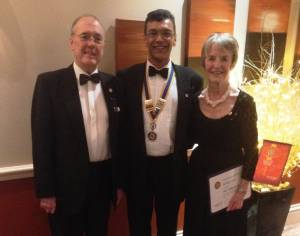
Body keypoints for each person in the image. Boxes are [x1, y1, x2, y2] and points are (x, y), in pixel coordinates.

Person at [31, 14, 122, 236]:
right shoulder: (49, 84)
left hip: (103, 184)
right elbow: (41, 141)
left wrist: (118, 184)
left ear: (103, 46)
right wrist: (46, 191)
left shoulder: (115, 85)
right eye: (85, 37)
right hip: (64, 187)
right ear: (72, 43)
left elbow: (120, 138)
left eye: (97, 38)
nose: (91, 44)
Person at [117, 9, 203, 236]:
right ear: (145, 37)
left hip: (172, 169)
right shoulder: (125, 78)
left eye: (166, 33)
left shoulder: (191, 79)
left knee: (168, 227)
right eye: (153, 33)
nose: (159, 39)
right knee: (138, 227)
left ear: (174, 38)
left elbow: (195, 127)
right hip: (137, 168)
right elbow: (119, 129)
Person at [183, 33, 259, 236]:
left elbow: (252, 149)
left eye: (224, 58)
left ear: (232, 61)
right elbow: (186, 141)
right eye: (211, 58)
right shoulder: (193, 101)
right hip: (198, 180)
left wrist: (242, 190)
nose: (217, 64)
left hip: (231, 184)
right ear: (204, 61)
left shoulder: (245, 103)